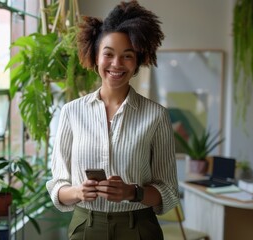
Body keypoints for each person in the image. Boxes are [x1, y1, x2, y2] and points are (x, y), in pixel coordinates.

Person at [46, 1, 180, 239]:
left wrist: (133, 192)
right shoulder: (71, 113)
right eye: (108, 54)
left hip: (138, 228)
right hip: (85, 226)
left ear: (137, 62)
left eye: (127, 56)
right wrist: (77, 191)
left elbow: (168, 192)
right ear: (95, 57)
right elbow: (57, 187)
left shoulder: (156, 116)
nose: (116, 64)